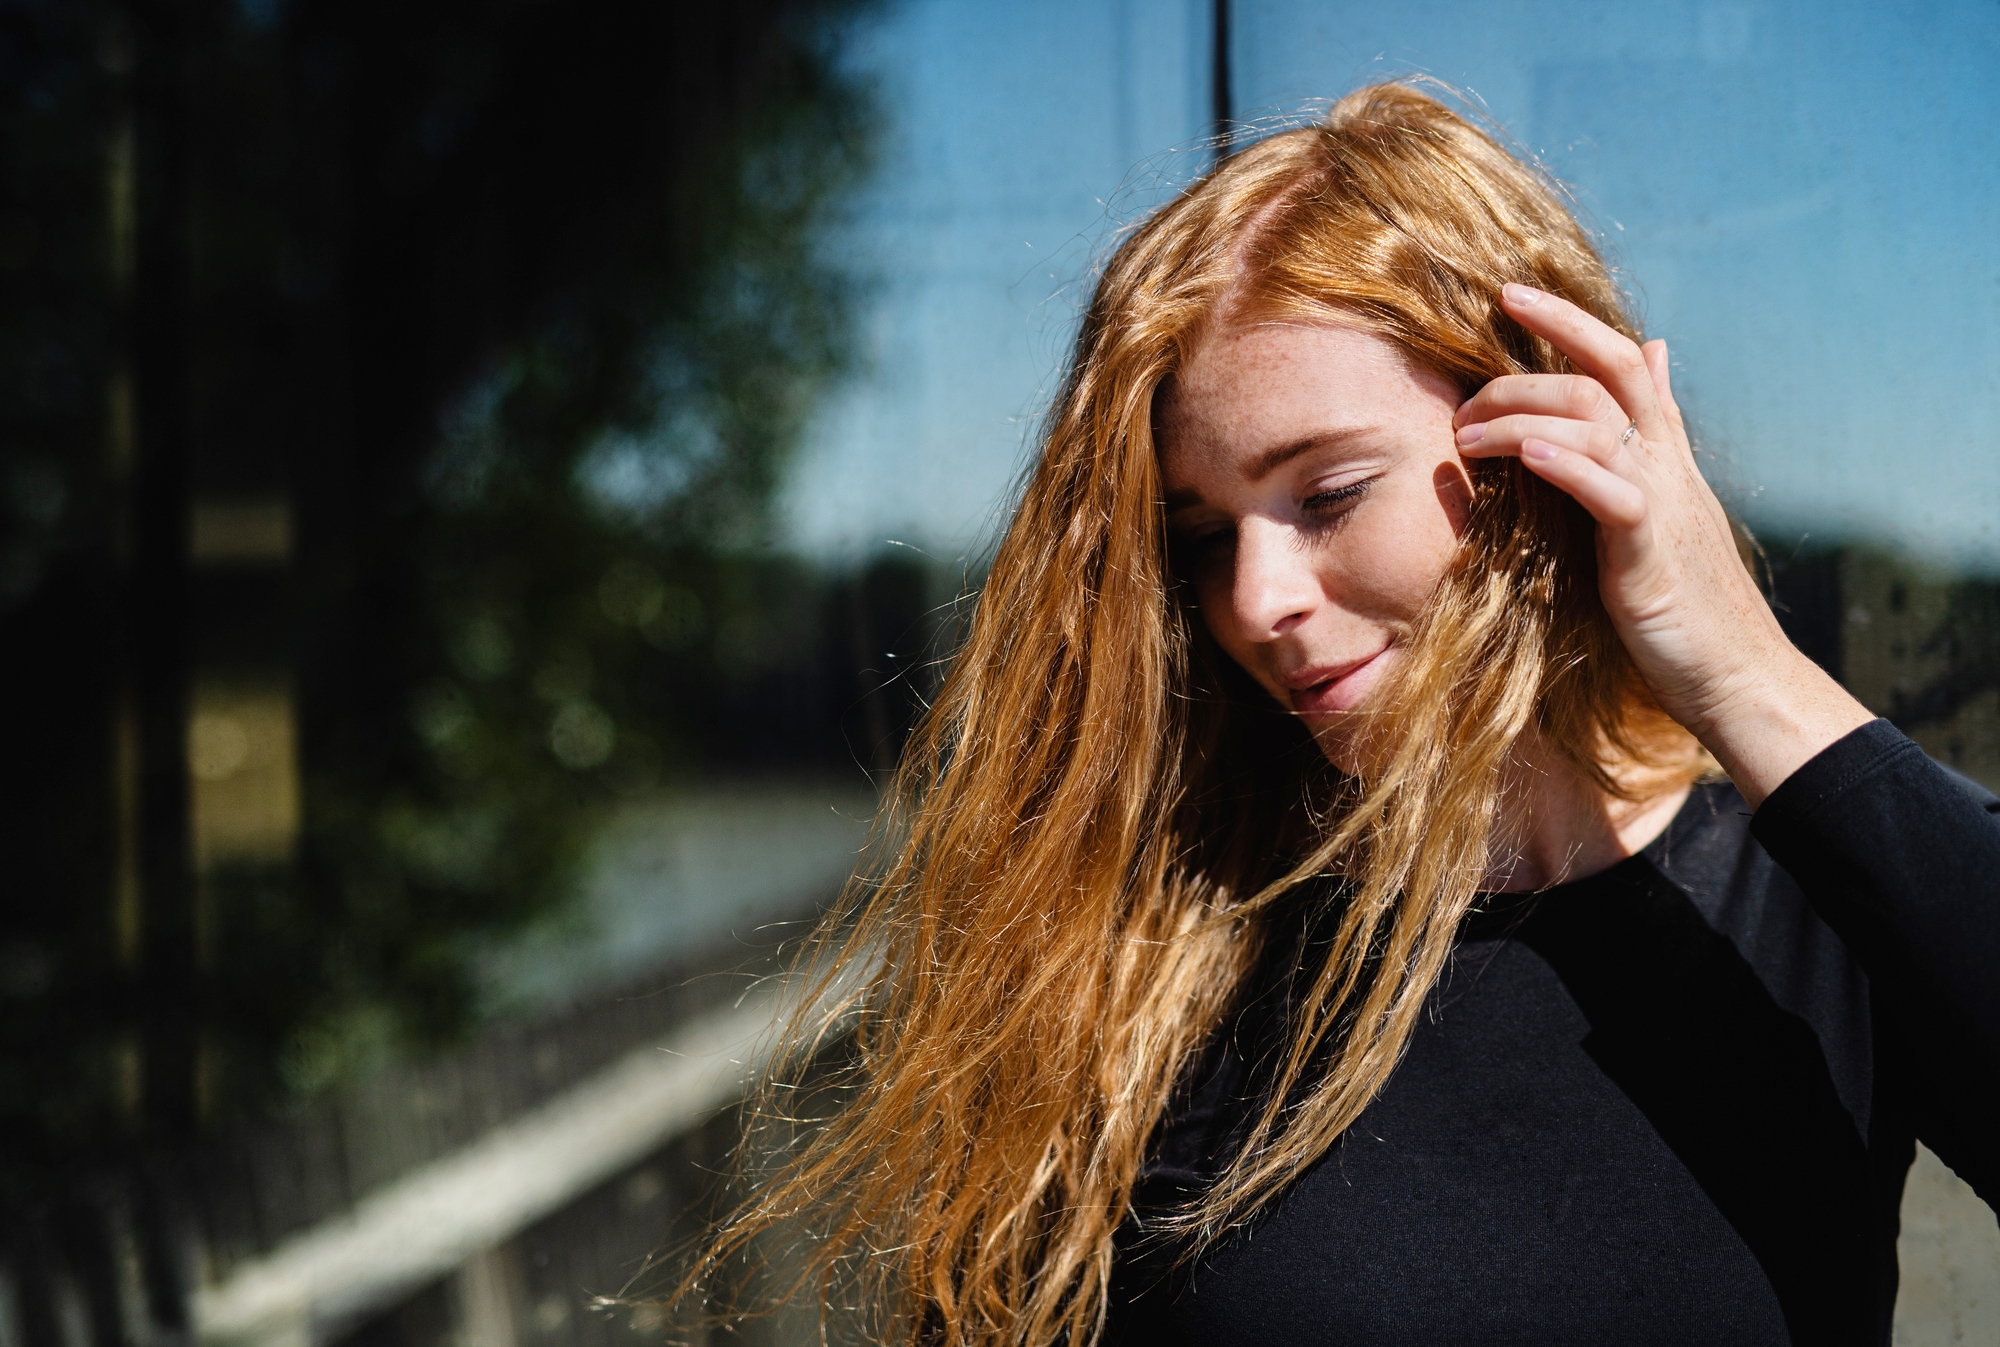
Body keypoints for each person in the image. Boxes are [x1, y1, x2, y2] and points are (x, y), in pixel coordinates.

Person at [676, 82, 1998, 1347]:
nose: (1254, 600)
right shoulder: (1150, 950)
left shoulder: (1815, 897)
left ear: (1538, 437)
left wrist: (1739, 667)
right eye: (1197, 536)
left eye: (1325, 495)